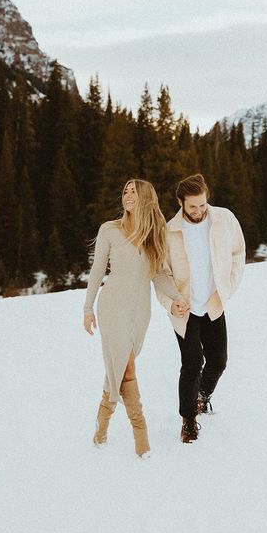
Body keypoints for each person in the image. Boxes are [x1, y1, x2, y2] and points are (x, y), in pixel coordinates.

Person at [83, 179, 187, 458]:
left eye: (133, 191)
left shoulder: (154, 235)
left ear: (145, 198)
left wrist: (176, 297)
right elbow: (96, 272)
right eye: (125, 191)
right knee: (127, 368)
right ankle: (142, 438)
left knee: (117, 368)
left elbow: (159, 275)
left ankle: (101, 425)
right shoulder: (110, 230)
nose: (127, 195)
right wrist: (87, 308)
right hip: (112, 307)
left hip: (140, 311)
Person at [155, 174, 246, 443]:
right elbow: (161, 273)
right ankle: (188, 420)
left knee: (219, 362)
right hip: (184, 310)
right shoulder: (168, 231)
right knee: (192, 364)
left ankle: (202, 397)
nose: (198, 211)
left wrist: (226, 289)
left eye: (203, 205)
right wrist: (171, 302)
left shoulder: (224, 219)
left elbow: (237, 255)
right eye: (192, 206)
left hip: (213, 304)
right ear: (180, 202)